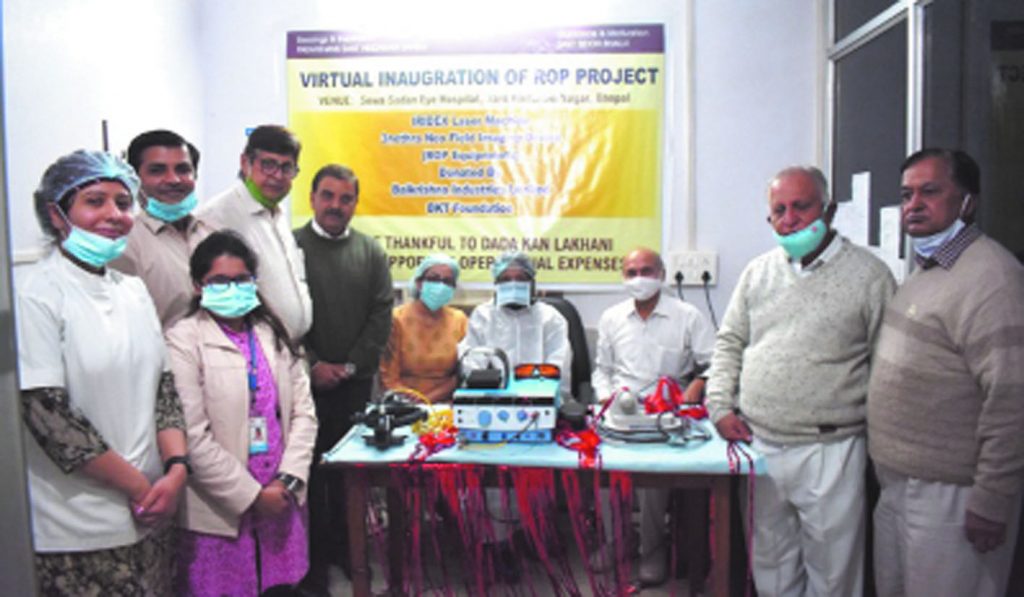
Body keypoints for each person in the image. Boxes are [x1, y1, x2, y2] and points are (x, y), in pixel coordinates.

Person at [705, 165, 896, 596]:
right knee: (771, 566)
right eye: (779, 210)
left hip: (830, 448)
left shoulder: (870, 277)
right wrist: (719, 406)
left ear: (829, 210)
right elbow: (730, 341)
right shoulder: (758, 272)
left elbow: (887, 367)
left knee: (833, 573)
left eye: (801, 206)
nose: (789, 219)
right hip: (760, 442)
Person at [16, 150, 188, 595]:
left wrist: (176, 470)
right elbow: (48, 417)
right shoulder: (36, 294)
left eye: (123, 203)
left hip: (153, 508)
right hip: (79, 526)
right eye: (95, 201)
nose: (114, 215)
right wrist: (141, 487)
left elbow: (164, 391)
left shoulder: (132, 290)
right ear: (56, 214)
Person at [867, 148, 1024, 597]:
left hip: (953, 495)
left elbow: (1012, 397)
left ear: (968, 202)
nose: (914, 205)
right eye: (906, 195)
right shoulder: (928, 271)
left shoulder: (993, 279)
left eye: (930, 192)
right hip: (898, 485)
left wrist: (992, 499)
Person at [167, 230, 317, 597]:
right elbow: (191, 437)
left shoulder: (272, 333)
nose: (232, 289)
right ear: (198, 285)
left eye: (241, 279)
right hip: (220, 508)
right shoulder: (182, 340)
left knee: (282, 587)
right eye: (219, 281)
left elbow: (304, 414)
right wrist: (252, 497)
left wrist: (287, 481)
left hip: (281, 497)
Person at [292, 164, 392, 593]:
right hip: (302, 385)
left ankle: (350, 554)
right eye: (328, 196)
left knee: (350, 476)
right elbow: (279, 315)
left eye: (345, 198)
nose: (336, 205)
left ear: (355, 203)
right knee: (309, 477)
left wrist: (350, 366)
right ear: (312, 198)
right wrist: (312, 364)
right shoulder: (290, 247)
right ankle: (311, 565)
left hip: (354, 386)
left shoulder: (370, 252)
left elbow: (381, 314)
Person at [591, 247, 715, 586]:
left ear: (661, 274)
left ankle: (652, 549)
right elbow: (602, 370)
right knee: (602, 472)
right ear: (622, 277)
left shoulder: (687, 316)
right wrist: (605, 397)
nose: (639, 279)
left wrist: (699, 383)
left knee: (651, 483)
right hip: (620, 408)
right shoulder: (612, 318)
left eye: (646, 271)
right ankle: (617, 541)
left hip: (666, 413)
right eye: (631, 273)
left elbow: (714, 362)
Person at [197, 124, 312, 340]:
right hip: (248, 351)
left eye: (287, 167)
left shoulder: (278, 213)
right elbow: (215, 300)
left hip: (290, 349)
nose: (277, 175)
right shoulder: (217, 217)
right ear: (245, 163)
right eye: (268, 164)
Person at [111, 129, 213, 329]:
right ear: (134, 179)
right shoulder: (123, 245)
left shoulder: (210, 234)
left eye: (183, 169)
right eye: (157, 170)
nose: (173, 180)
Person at [459, 250, 572, 399]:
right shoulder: (483, 315)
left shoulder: (551, 318)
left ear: (532, 283)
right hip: (494, 396)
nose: (513, 284)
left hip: (540, 396)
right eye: (505, 279)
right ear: (496, 285)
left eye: (520, 278)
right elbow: (472, 364)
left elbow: (558, 366)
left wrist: (536, 393)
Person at [380, 253, 468, 403]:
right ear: (419, 283)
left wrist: (428, 399)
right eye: (434, 278)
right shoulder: (397, 319)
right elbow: (388, 377)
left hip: (447, 404)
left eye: (447, 281)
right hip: (403, 404)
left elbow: (463, 373)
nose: (441, 286)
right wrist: (410, 403)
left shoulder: (459, 320)